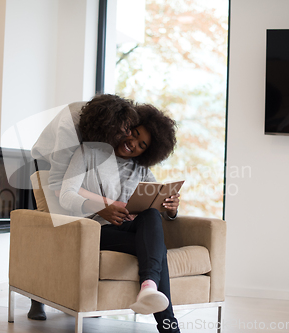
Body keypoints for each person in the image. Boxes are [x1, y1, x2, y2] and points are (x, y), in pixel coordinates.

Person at [59, 104, 182, 333]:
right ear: (125, 127)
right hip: (95, 230)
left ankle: (149, 287)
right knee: (158, 251)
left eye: (142, 144)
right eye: (134, 134)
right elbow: (66, 195)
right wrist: (102, 206)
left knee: (152, 214)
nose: (133, 143)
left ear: (148, 152)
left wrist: (172, 209)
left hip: (127, 230)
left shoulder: (141, 170)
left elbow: (157, 201)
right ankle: (169, 327)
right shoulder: (89, 152)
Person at [27, 94, 139, 320]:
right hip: (49, 163)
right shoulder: (69, 129)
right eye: (123, 131)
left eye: (129, 128)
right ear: (107, 130)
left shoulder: (110, 119)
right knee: (54, 231)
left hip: (79, 157)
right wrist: (103, 204)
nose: (128, 135)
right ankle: (37, 298)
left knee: (81, 227)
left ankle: (74, 297)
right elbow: (60, 186)